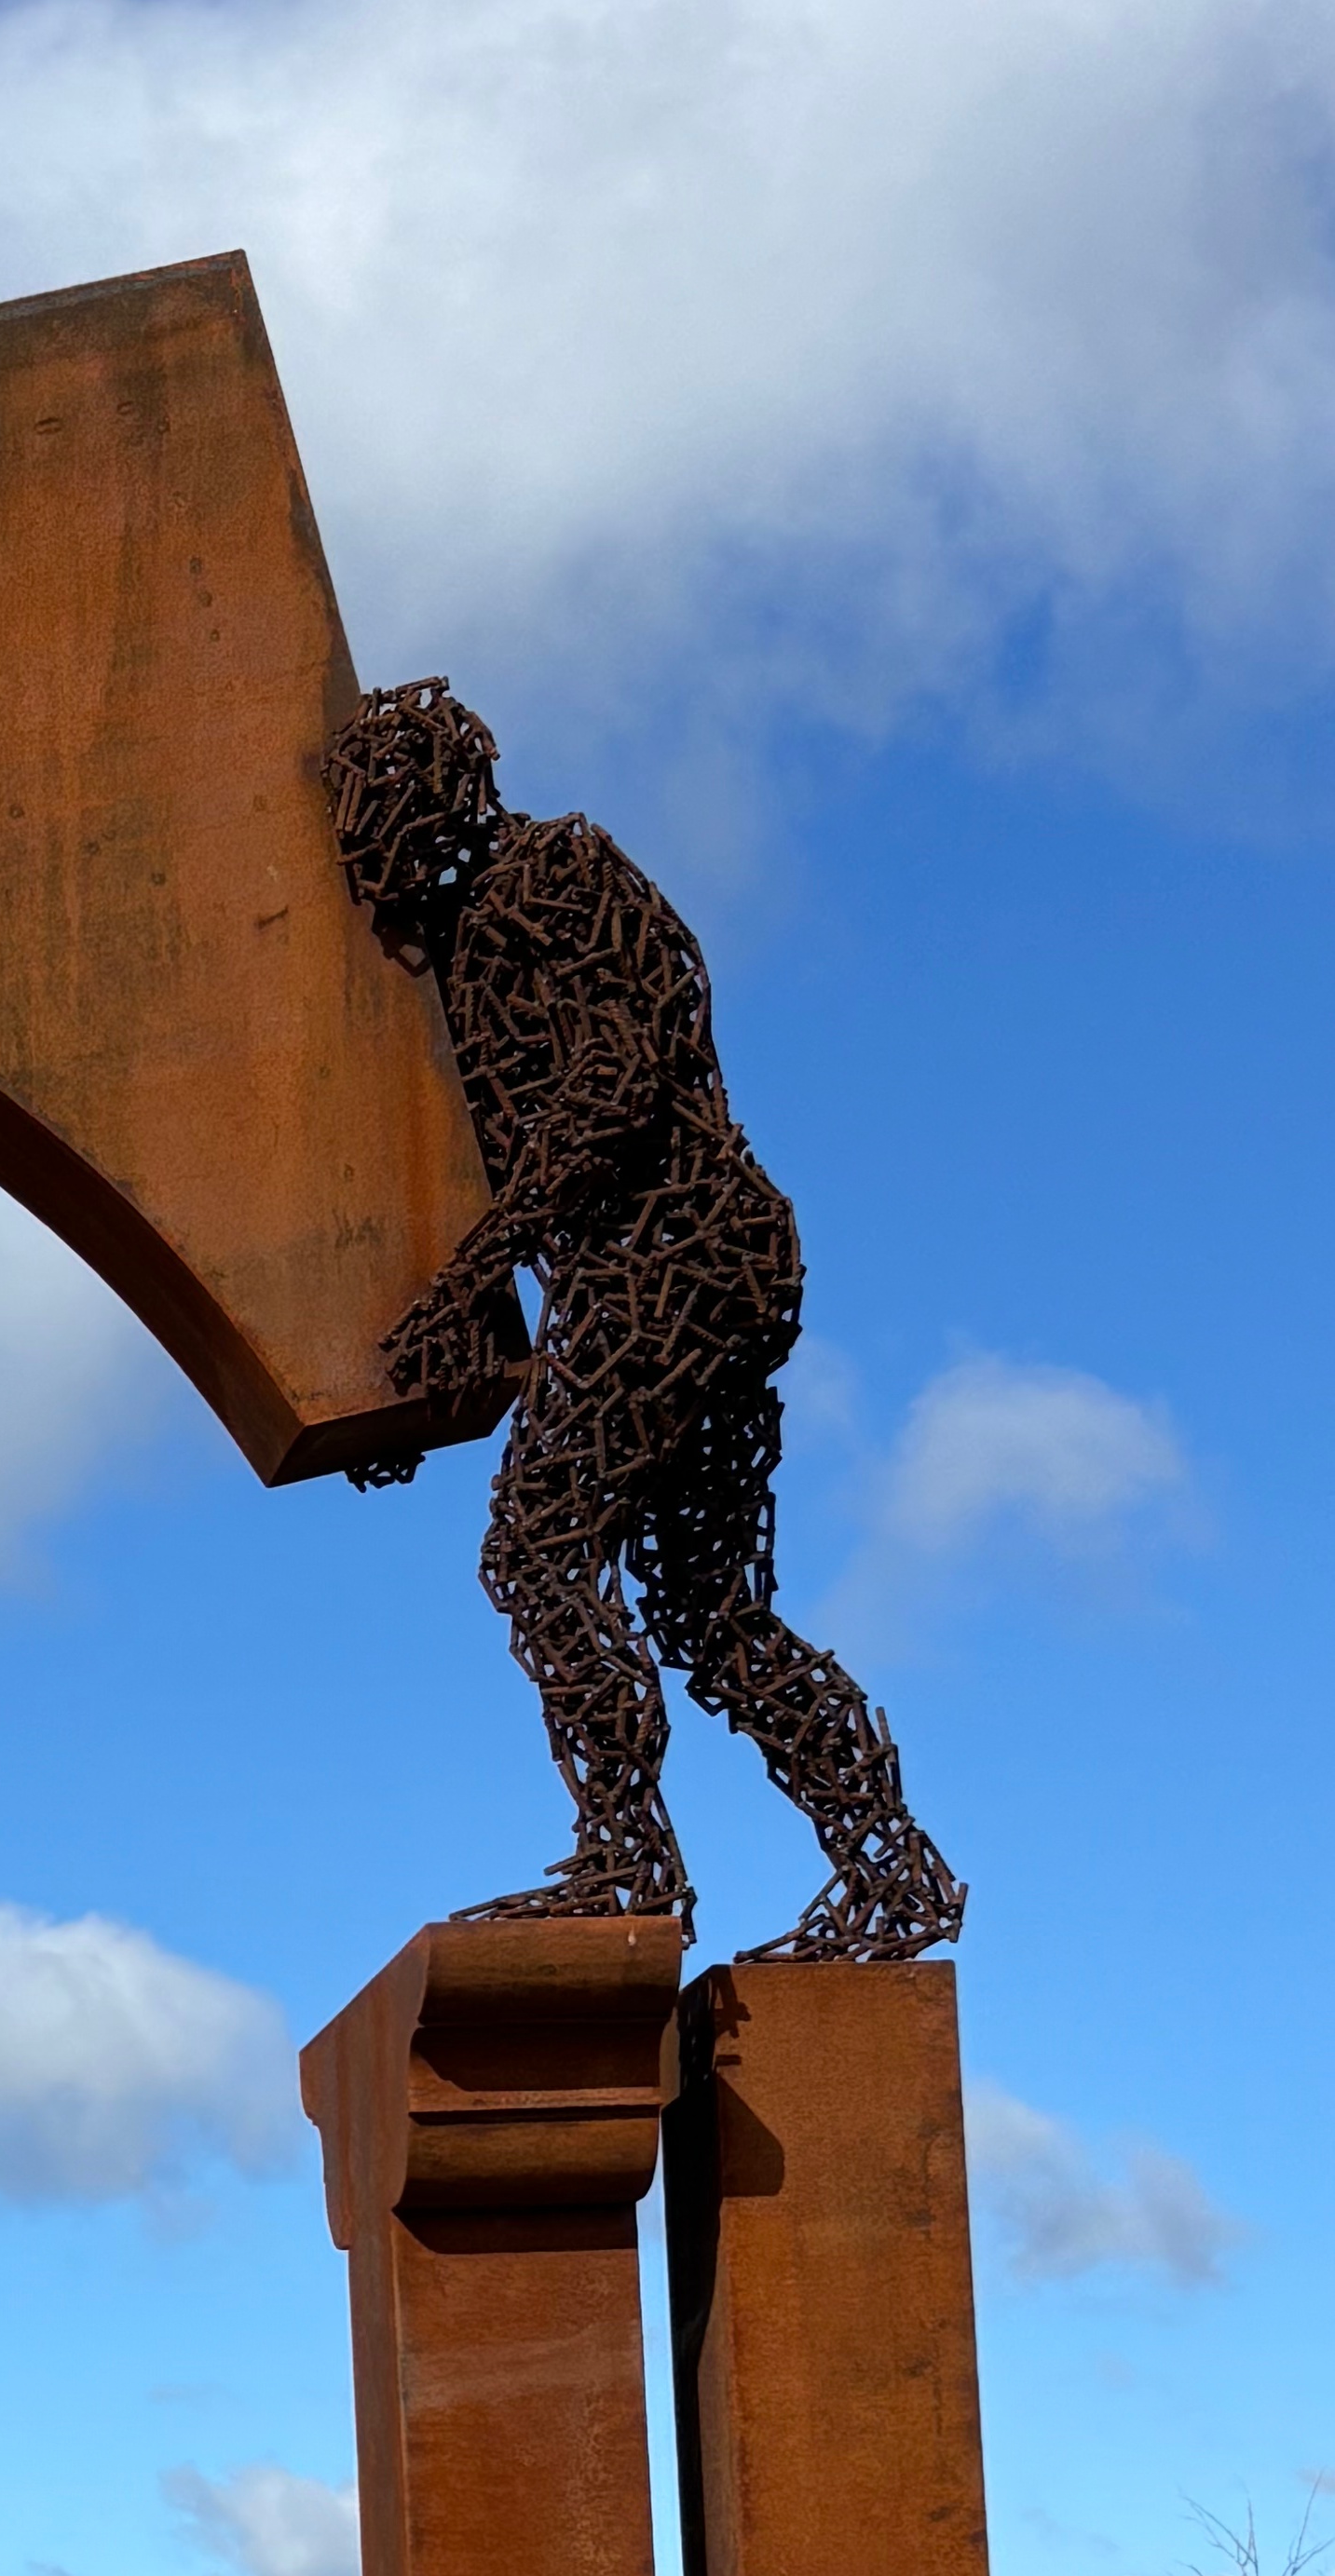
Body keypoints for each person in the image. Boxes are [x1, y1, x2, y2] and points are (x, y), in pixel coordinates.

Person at [330, 678, 961, 1961]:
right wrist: (439, 1377)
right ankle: (891, 1873)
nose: (370, 875)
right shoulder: (453, 967)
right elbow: (506, 1191)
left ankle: (627, 1868)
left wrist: (469, 1280)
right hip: (640, 1282)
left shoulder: (556, 874)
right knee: (710, 1618)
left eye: (380, 836)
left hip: (687, 1260)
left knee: (538, 1548)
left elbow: (616, 1089)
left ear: (439, 809)